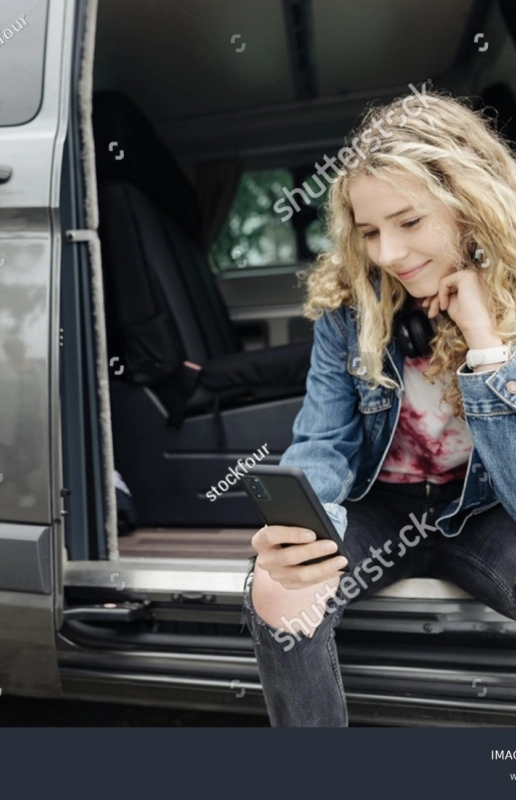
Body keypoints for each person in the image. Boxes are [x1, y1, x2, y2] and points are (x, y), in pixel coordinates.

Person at [242, 89, 516, 727]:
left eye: (409, 222)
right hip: (380, 510)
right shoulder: (348, 310)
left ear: (469, 206)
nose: (388, 252)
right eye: (369, 232)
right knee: (279, 586)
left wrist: (486, 348)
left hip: (482, 513)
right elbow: (322, 444)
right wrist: (304, 529)